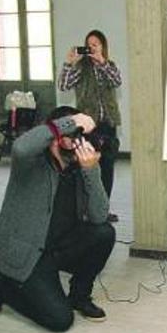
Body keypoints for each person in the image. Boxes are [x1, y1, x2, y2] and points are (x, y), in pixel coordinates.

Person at [0, 106, 116, 332]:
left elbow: (99, 216)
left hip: (58, 247)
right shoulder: (31, 164)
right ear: (52, 136)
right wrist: (71, 121)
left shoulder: (79, 168)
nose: (74, 141)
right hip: (28, 252)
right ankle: (4, 286)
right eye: (69, 134)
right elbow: (21, 146)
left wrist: (91, 170)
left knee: (104, 233)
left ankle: (79, 297)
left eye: (77, 135)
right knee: (60, 320)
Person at [57, 29, 122, 222]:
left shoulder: (109, 66)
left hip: (108, 125)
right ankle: (86, 209)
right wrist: (69, 63)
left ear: (103, 47)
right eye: (89, 44)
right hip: (88, 127)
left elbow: (116, 80)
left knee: (107, 169)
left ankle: (102, 208)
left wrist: (102, 62)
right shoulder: (80, 68)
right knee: (89, 168)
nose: (92, 47)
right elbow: (63, 85)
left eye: (96, 44)